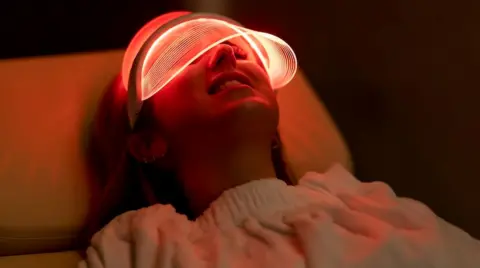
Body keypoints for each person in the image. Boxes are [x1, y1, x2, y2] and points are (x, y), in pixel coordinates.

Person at [80, 11, 480, 268]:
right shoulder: (146, 245)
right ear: (148, 144)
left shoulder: (369, 204)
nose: (226, 57)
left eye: (237, 49)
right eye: (182, 55)